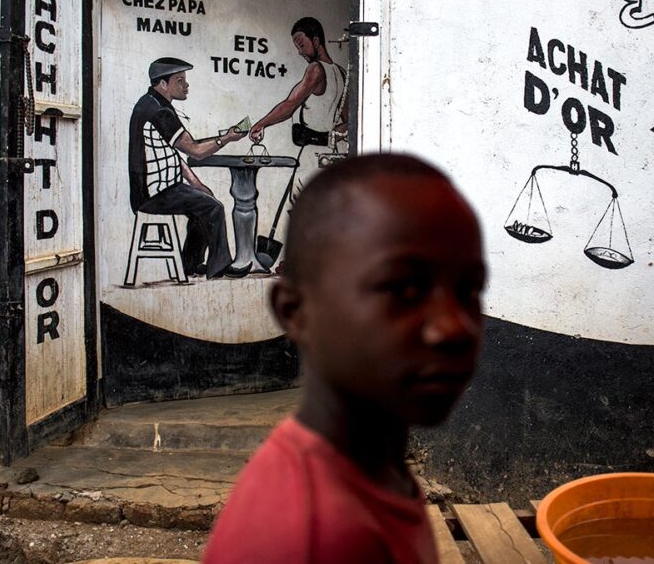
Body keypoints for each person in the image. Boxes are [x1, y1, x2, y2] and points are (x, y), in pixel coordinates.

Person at [202, 154, 487, 563]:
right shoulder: (318, 536)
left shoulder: (372, 466)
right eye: (403, 289)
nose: (454, 327)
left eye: (469, 291)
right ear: (295, 311)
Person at [128, 57, 250, 279]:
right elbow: (195, 150)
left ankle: (190, 265)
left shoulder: (153, 103)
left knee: (202, 204)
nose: (186, 85)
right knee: (213, 208)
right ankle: (219, 267)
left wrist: (197, 184)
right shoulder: (158, 111)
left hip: (155, 188)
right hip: (152, 193)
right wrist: (228, 139)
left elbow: (174, 154)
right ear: (163, 84)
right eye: (180, 80)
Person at [248, 17, 348, 204]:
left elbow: (290, 105)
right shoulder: (341, 72)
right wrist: (336, 135)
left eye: (301, 45)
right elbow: (348, 121)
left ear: (316, 41)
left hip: (314, 155)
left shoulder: (316, 69)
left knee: (303, 209)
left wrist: (261, 124)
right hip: (334, 156)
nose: (299, 52)